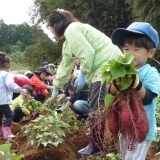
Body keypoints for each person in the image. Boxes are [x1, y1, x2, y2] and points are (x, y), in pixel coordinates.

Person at [47, 8, 123, 155]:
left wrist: (82, 73)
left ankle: (96, 145)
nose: (51, 31)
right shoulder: (68, 42)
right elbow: (65, 65)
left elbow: (87, 53)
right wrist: (56, 86)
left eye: (50, 28)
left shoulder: (72, 30)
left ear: (55, 25)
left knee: (96, 107)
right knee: (103, 106)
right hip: (104, 68)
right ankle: (108, 141)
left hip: (107, 67)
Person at [109, 22, 160, 160]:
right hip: (124, 127)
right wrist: (115, 85)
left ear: (150, 53)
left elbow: (148, 98)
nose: (130, 54)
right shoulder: (119, 69)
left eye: (136, 49)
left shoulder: (151, 72)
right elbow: (111, 92)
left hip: (141, 129)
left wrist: (136, 85)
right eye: (126, 49)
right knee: (126, 156)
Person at [0, 52, 22, 139]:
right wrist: (20, 90)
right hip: (3, 101)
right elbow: (10, 84)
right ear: (8, 65)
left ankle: (1, 133)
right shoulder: (6, 74)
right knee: (9, 116)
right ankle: (7, 134)